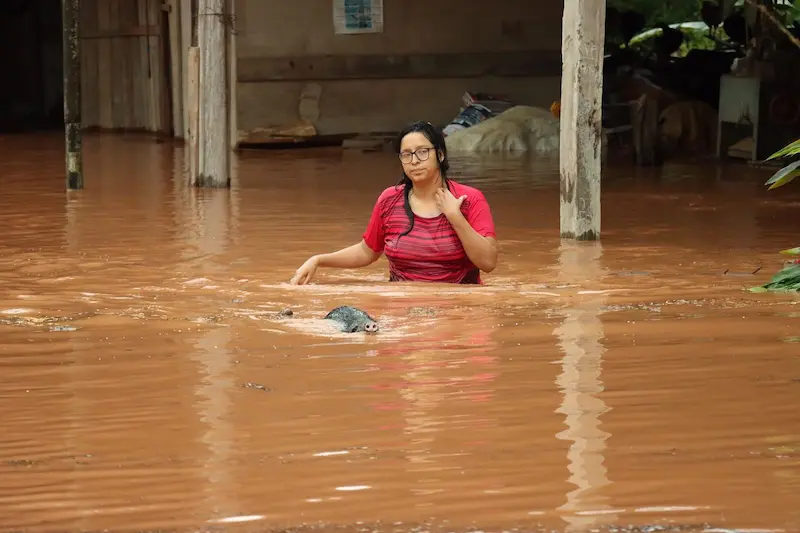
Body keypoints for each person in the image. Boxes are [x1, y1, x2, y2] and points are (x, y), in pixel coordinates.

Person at [290, 121, 498, 285]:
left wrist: (455, 216)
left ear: (440, 155)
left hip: (460, 307)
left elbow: (488, 263)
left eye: (423, 152)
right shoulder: (389, 200)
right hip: (403, 305)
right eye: (406, 155)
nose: (414, 161)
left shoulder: (469, 199)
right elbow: (367, 251)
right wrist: (319, 260)